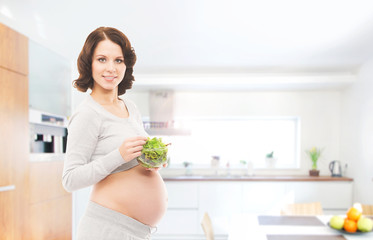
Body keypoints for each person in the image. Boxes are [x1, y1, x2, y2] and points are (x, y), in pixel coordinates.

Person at [62, 27, 168, 240]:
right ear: (88, 64)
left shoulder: (130, 107)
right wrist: (118, 155)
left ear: (126, 65)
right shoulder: (87, 114)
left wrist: (154, 158)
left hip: (137, 232)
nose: (111, 68)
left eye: (118, 60)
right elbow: (70, 180)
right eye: (102, 59)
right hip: (107, 230)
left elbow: (134, 158)